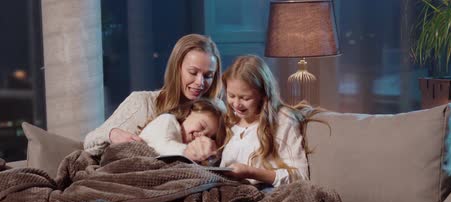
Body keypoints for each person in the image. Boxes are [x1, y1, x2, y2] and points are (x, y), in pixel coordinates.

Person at [84, 34, 223, 162]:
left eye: (208, 76)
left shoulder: (218, 109)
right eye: (193, 72)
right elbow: (90, 143)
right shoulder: (143, 103)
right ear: (177, 69)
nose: (200, 82)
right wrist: (112, 134)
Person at [220, 55, 320, 188]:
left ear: (263, 94)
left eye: (245, 98)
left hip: (263, 195)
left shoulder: (283, 120)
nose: (236, 104)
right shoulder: (230, 120)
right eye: (231, 96)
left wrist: (251, 172)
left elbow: (300, 176)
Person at [139, 99, 225, 160]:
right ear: (188, 113)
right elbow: (163, 145)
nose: (202, 136)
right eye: (201, 126)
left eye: (207, 136)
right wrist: (189, 152)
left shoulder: (181, 143)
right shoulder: (167, 120)